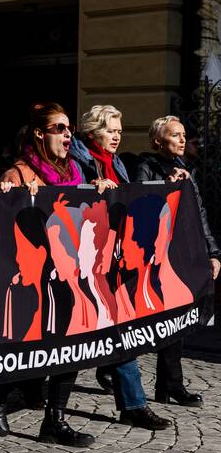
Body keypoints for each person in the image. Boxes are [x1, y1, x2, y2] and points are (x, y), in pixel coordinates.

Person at [0, 102, 94, 447]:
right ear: (39, 133)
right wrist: (19, 201)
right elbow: (1, 233)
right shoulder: (17, 175)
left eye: (69, 129)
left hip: (68, 272)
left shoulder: (75, 173)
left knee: (72, 345)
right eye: (59, 128)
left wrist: (101, 190)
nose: (67, 135)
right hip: (34, 278)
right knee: (29, 344)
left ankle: (55, 420)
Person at [69, 104, 171, 430]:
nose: (117, 135)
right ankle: (13, 393)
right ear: (93, 131)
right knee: (61, 340)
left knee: (123, 329)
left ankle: (133, 404)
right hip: (83, 262)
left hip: (114, 260)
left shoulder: (115, 163)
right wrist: (91, 191)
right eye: (111, 130)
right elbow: (67, 199)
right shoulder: (80, 162)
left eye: (118, 130)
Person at [135, 115, 220, 407]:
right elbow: (142, 202)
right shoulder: (147, 166)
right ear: (159, 141)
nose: (183, 139)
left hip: (186, 251)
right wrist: (166, 187)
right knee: (162, 320)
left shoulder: (188, 169)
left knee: (180, 319)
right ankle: (156, 384)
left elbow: (200, 214)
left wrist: (212, 252)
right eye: (175, 135)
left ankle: (169, 385)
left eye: (184, 134)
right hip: (159, 254)